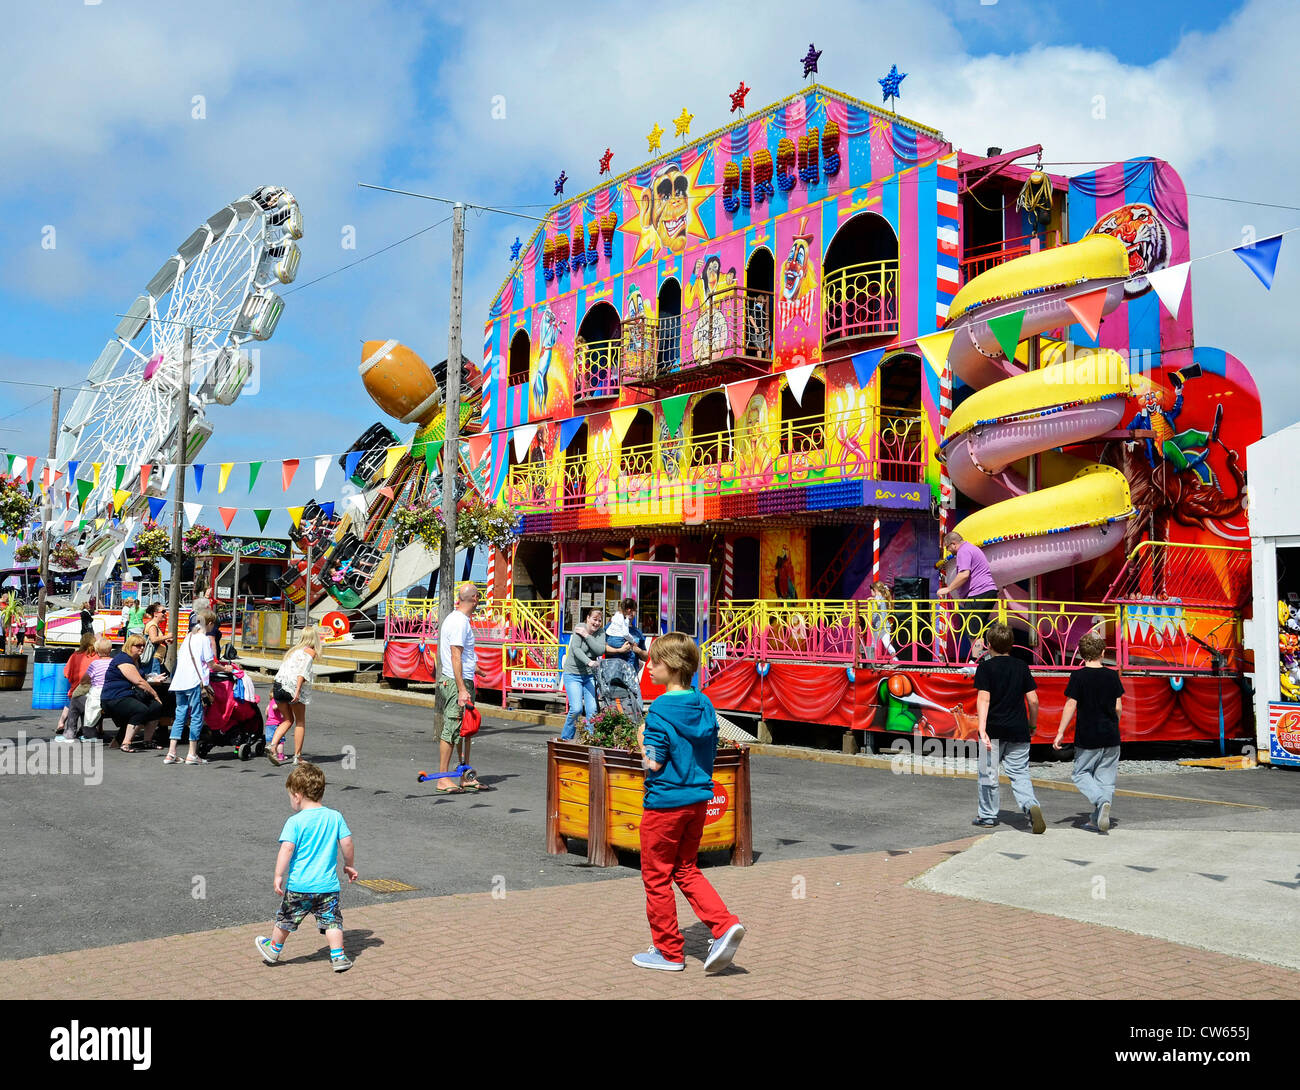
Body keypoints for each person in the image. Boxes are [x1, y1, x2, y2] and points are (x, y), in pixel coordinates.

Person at [633, 632, 745, 973]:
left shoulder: (661, 710)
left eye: (654, 662)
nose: (648, 667)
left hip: (665, 801)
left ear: (671, 666)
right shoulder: (704, 704)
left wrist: (641, 737)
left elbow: (652, 761)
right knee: (686, 868)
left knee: (656, 877)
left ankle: (668, 952)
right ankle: (724, 925)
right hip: (697, 800)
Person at [255, 762, 357, 973]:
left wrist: (278, 875)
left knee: (286, 919)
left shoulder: (295, 821)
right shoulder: (335, 816)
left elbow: (287, 850)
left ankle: (273, 948)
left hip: (299, 885)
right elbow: (347, 842)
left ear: (297, 795)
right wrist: (349, 865)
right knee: (332, 922)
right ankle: (338, 957)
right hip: (327, 886)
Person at [972, 622, 1044, 833]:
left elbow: (983, 700)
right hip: (1019, 729)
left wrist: (982, 728)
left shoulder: (985, 667)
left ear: (988, 645)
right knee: (1020, 774)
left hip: (993, 730)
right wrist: (1032, 723)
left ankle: (987, 815)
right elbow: (1033, 701)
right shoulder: (1021, 666)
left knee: (988, 774)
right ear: (1011, 644)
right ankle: (1031, 806)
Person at [1053, 632, 1124, 832]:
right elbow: (1118, 707)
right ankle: (1097, 818)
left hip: (1087, 736)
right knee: (1106, 779)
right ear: (1103, 652)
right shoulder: (1112, 675)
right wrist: (1113, 724)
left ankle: (1100, 802)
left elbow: (1070, 705)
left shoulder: (1078, 676)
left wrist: (1060, 732)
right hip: (1110, 735)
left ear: (1082, 655)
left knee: (1080, 773)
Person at [433, 583, 488, 793]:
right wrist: (462, 688)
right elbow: (455, 655)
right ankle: (443, 777)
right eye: (479, 597)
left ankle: (465, 774)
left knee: (465, 729)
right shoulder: (459, 622)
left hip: (462, 679)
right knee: (452, 727)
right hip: (457, 683)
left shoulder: (459, 620)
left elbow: (463, 656)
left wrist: (477, 669)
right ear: (474, 599)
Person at [937, 531, 999, 661]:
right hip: (985, 592)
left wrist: (948, 589)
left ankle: (977, 661)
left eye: (948, 548)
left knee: (972, 629)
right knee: (976, 628)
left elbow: (964, 574)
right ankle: (982, 659)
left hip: (979, 592)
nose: (949, 551)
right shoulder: (971, 548)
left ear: (953, 544)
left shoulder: (963, 551)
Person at [166, 609, 216, 766]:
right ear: (208, 623)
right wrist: (226, 669)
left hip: (179, 681)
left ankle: (171, 752)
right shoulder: (203, 638)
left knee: (180, 715)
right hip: (194, 681)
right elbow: (210, 663)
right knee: (196, 715)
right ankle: (192, 753)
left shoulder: (188, 637)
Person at [267, 627, 321, 766]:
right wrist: (297, 691)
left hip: (278, 686)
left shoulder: (293, 651)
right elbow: (302, 673)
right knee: (300, 722)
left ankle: (272, 746)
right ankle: (297, 756)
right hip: (292, 688)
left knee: (287, 719)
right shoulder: (310, 652)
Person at [100, 634, 164, 752]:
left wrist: (153, 678)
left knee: (156, 706)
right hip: (113, 697)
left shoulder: (136, 659)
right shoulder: (123, 659)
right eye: (138, 645)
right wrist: (155, 694)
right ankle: (126, 743)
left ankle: (147, 741)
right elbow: (139, 681)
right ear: (129, 646)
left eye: (143, 646)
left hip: (127, 695)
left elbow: (141, 677)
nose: (141, 648)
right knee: (140, 709)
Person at [599, 598, 648, 722]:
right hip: (613, 676)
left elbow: (646, 657)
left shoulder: (637, 632)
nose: (632, 613)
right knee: (612, 708)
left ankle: (634, 734)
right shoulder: (610, 628)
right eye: (632, 611)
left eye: (633, 611)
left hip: (631, 676)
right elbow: (601, 648)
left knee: (637, 706)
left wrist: (638, 651)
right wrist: (619, 650)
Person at [561, 607, 605, 741]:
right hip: (573, 674)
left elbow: (599, 650)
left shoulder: (600, 632)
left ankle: (588, 739)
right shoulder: (579, 626)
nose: (597, 623)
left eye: (599, 620)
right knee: (576, 709)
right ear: (588, 618)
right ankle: (566, 738)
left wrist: (587, 635)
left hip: (589, 676)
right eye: (594, 619)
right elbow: (575, 650)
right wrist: (589, 662)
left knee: (592, 710)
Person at [58, 632, 98, 743]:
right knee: (85, 710)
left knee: (72, 704)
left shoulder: (75, 655)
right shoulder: (97, 656)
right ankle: (90, 732)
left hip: (77, 690)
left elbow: (66, 673)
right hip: (94, 691)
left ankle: (68, 730)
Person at [81, 636, 114, 741]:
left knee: (86, 705)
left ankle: (88, 730)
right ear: (110, 649)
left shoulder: (95, 664)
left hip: (97, 692)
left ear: (96, 650)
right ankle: (97, 729)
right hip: (111, 692)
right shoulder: (114, 662)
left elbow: (84, 680)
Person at [867, 582, 898, 660]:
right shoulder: (883, 598)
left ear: (875, 590)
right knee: (886, 643)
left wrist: (873, 599)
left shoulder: (878, 598)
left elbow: (878, 601)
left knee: (873, 644)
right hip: (884, 625)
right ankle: (895, 658)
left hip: (879, 626)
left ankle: (871, 661)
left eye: (871, 590)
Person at [141, 602, 169, 673]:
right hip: (153, 659)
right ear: (155, 614)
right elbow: (153, 639)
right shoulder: (152, 625)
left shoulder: (154, 625)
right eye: (163, 612)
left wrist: (165, 640)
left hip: (156, 658)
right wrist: (167, 636)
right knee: (154, 681)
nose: (165, 614)